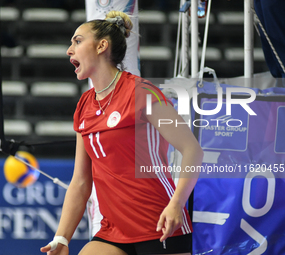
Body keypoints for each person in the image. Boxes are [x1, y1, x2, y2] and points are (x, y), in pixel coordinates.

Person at [40, 10, 203, 255]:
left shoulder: (141, 92)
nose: (69, 50)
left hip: (159, 223)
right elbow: (81, 181)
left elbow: (193, 151)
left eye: (77, 41)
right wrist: (62, 237)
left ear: (101, 46)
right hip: (113, 231)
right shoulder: (84, 105)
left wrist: (177, 204)